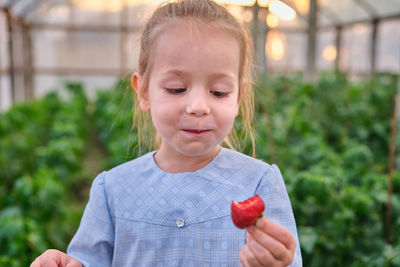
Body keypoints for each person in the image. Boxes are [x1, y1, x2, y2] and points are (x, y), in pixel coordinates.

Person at [30, 0, 302, 266]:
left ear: (239, 98)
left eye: (219, 92)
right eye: (176, 89)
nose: (198, 106)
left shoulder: (259, 184)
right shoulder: (113, 191)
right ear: (144, 92)